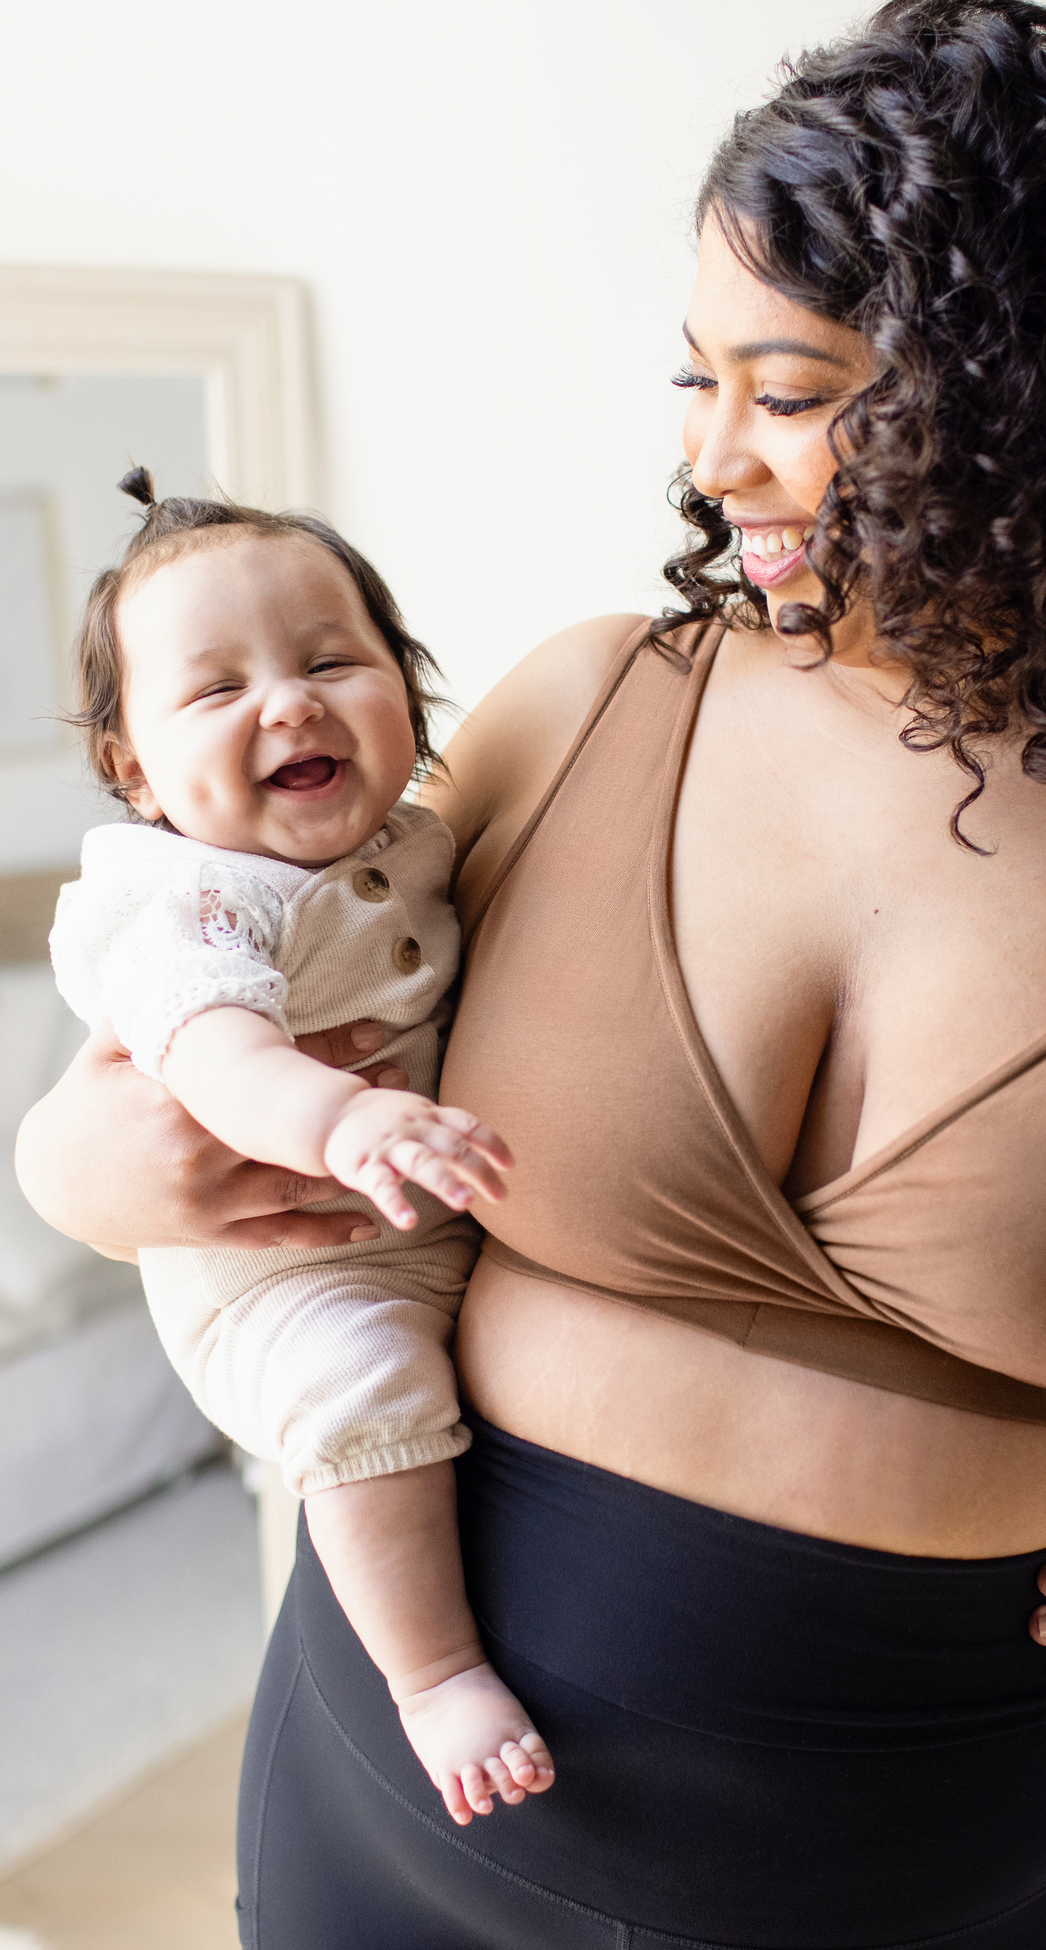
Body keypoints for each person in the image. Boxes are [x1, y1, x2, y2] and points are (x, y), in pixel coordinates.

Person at [17, 0, 1046, 1950]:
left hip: (957, 1872)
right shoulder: (584, 709)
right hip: (402, 1796)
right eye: (693, 382)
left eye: (788, 392)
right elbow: (200, 973)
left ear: (1030, 387)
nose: (717, 459)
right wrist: (84, 1172)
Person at [48, 473, 551, 1823]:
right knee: (360, 1390)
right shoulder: (184, 900)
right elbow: (216, 1054)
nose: (289, 702)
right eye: (216, 692)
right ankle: (435, 1677)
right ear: (135, 770)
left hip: (419, 1223)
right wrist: (340, 1117)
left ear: (411, 687)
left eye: (334, 660)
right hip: (283, 1278)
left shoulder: (426, 840)